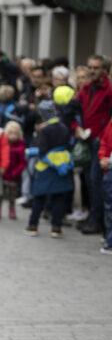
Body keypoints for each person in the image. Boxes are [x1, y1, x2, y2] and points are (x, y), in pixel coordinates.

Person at [74, 55, 112, 236]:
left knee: (96, 181)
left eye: (95, 67)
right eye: (90, 67)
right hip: (86, 139)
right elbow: (74, 110)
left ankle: (98, 221)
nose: (92, 71)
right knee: (89, 180)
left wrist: (102, 136)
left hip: (99, 141)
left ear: (104, 69)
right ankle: (92, 216)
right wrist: (76, 127)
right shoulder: (86, 88)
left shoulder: (108, 89)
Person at [24, 101, 74, 238]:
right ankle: (56, 228)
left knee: (39, 197)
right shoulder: (64, 128)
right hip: (62, 165)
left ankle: (33, 225)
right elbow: (68, 146)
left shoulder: (45, 130)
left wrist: (33, 151)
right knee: (59, 198)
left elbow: (42, 151)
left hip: (46, 167)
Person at [2, 121, 27, 220]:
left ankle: (12, 209)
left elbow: (23, 163)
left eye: (15, 133)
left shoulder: (21, 146)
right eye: (10, 133)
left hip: (13, 175)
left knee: (12, 194)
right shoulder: (3, 144)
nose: (13, 136)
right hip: (3, 173)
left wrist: (15, 172)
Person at [99, 116, 112, 254]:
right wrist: (103, 157)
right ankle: (109, 239)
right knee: (108, 207)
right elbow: (104, 141)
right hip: (109, 170)